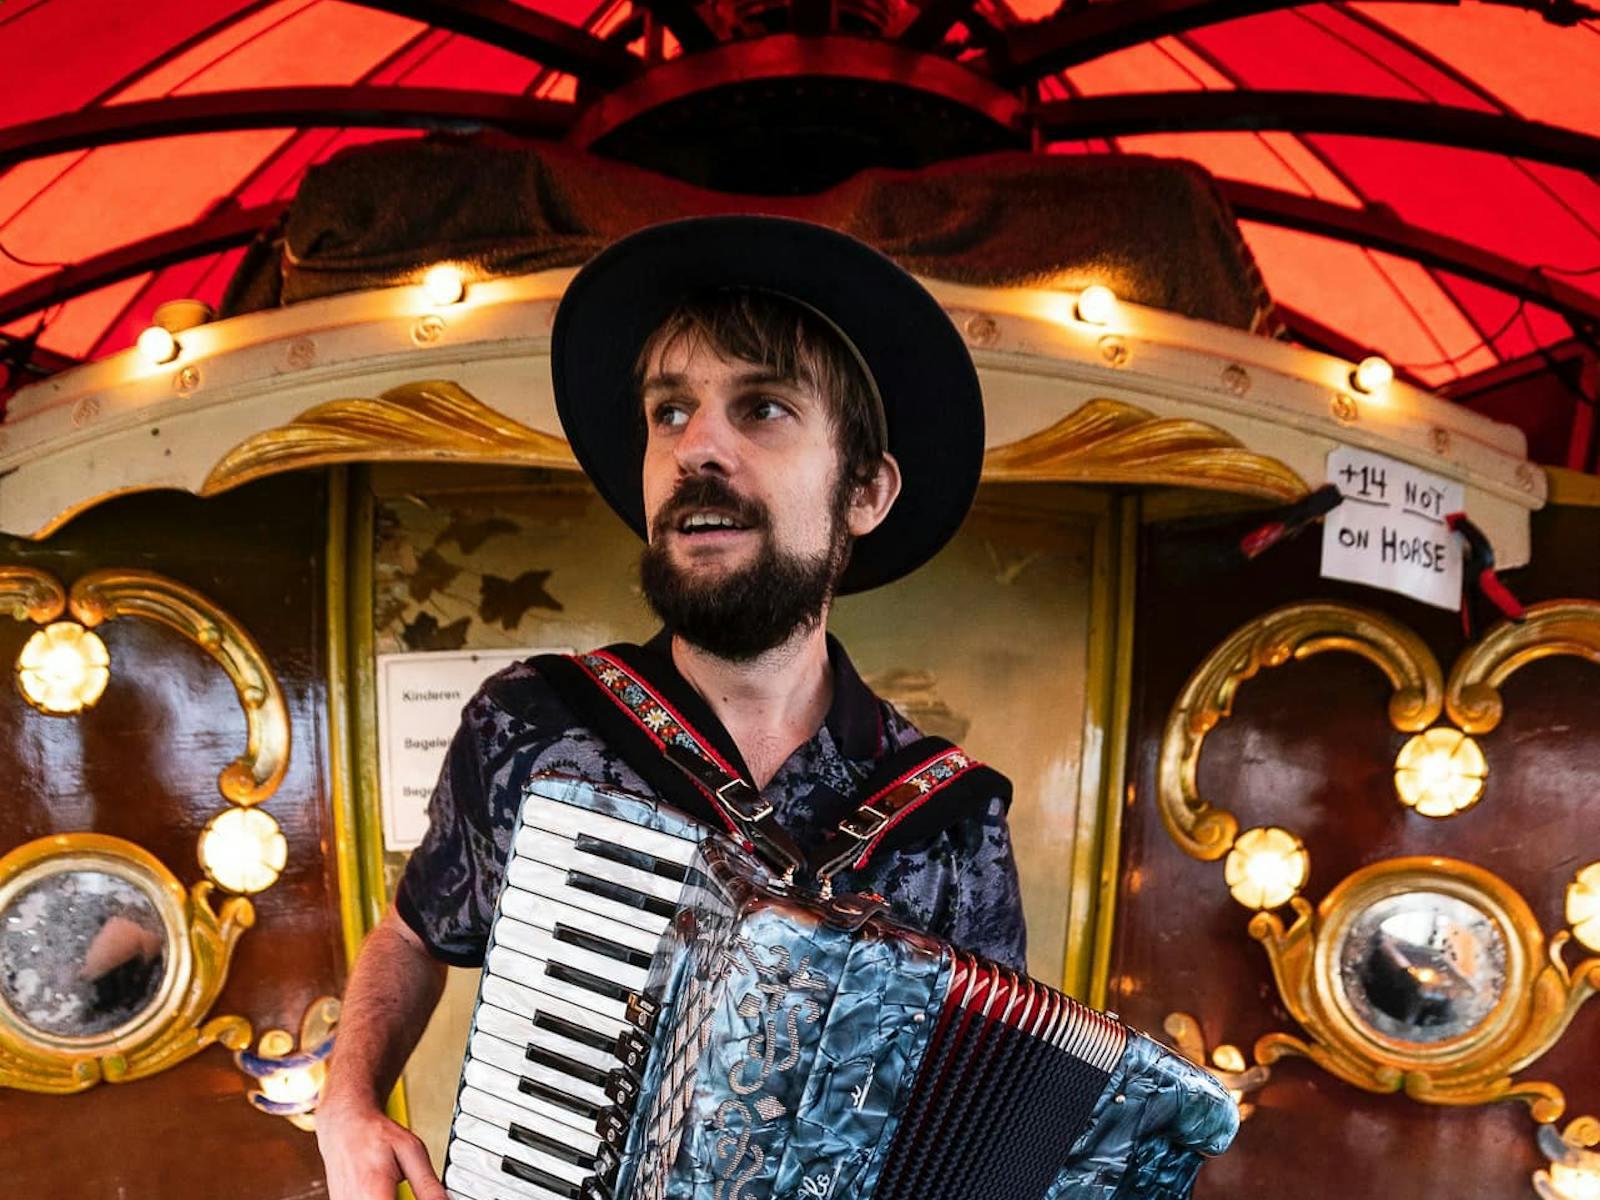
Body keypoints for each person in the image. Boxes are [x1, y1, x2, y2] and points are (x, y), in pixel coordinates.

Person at [316, 216, 1029, 1200]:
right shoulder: (532, 726)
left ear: (864, 492)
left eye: (762, 408)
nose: (697, 447)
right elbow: (411, 934)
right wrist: (349, 1099)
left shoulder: (951, 822)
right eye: (669, 411)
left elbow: (984, 1124)